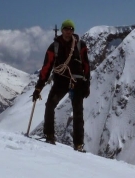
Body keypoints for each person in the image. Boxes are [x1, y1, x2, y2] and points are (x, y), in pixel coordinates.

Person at [33, 19, 91, 152]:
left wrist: (87, 83)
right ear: (62, 30)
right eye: (66, 29)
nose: (68, 31)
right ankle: (49, 135)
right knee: (50, 105)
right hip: (62, 80)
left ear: (73, 31)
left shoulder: (80, 45)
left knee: (78, 112)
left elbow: (86, 65)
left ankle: (78, 144)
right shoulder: (54, 47)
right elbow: (46, 68)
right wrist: (38, 87)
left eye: (70, 29)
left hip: (77, 82)